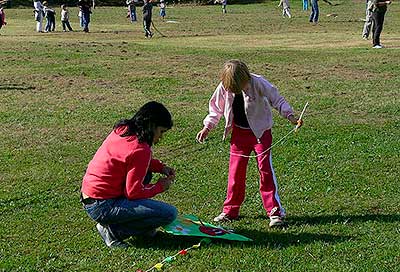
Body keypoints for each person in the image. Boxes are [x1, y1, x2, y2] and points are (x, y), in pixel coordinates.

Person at [196, 60, 303, 227]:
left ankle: (274, 211)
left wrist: (290, 116)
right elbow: (216, 108)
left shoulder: (258, 82)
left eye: (241, 87)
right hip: (239, 135)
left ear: (245, 78)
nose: (238, 91)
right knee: (235, 173)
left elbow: (277, 99)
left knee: (265, 170)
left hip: (261, 134)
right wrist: (207, 127)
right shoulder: (225, 86)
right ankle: (231, 209)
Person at [81, 101, 177, 248]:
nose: (161, 137)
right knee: (169, 214)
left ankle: (142, 227)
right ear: (151, 126)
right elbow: (133, 192)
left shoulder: (123, 130)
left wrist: (160, 167)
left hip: (90, 197)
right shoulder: (141, 150)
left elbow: (130, 159)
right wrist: (160, 186)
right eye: (161, 132)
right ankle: (113, 232)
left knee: (146, 175)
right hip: (103, 205)